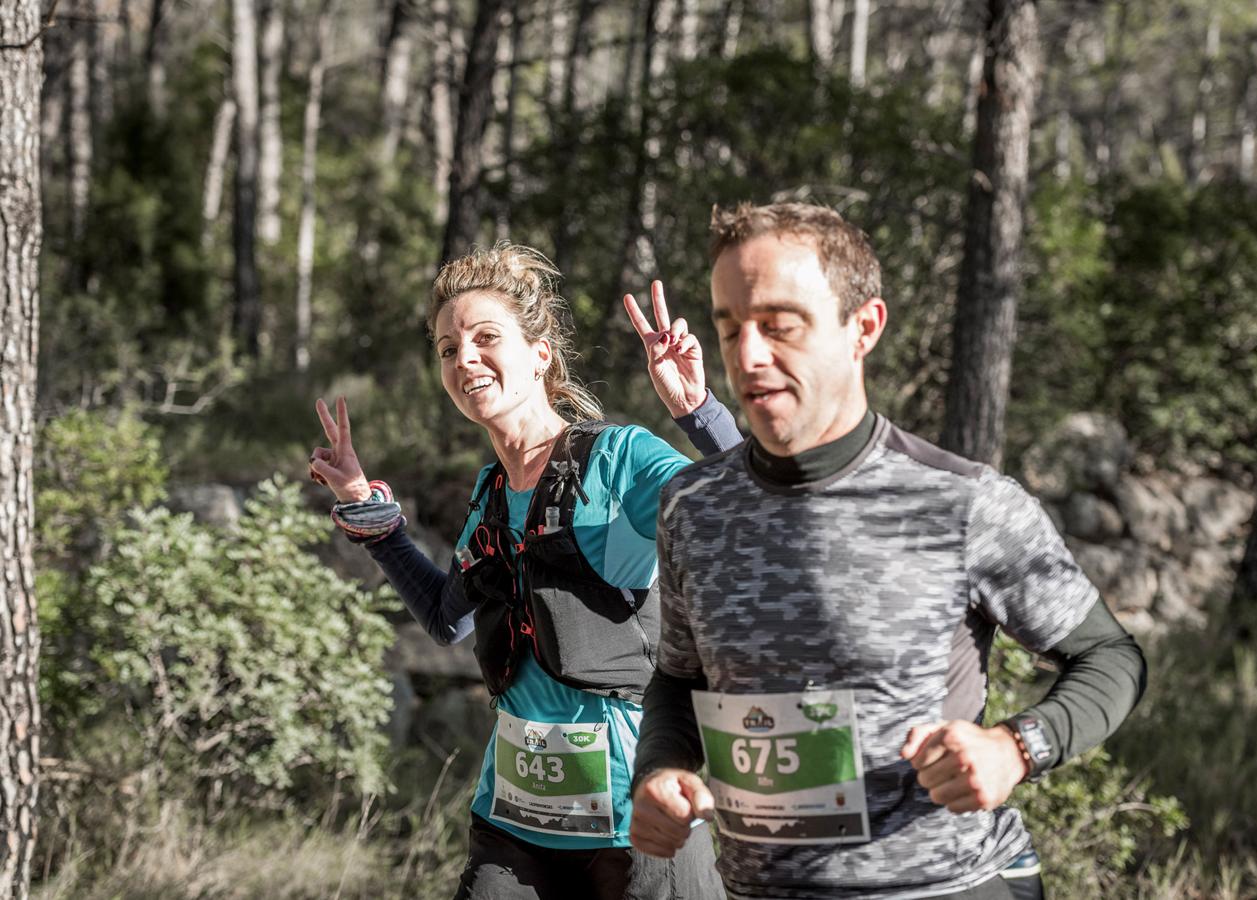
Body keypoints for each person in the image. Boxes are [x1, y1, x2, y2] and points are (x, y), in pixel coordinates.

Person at [628, 203, 1147, 900]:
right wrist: (659, 771)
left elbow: (1112, 657)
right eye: (731, 328)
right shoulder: (692, 506)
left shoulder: (961, 502)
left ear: (862, 328)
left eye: (780, 326)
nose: (748, 356)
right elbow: (679, 681)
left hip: (942, 886)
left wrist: (1015, 748)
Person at [308, 243, 739, 900]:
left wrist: (697, 411)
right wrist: (375, 519)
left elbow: (742, 501)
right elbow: (447, 620)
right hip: (513, 826)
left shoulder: (619, 460)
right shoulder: (489, 493)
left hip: (639, 823)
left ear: (541, 354)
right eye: (449, 349)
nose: (465, 359)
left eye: (485, 338)